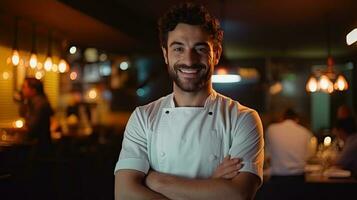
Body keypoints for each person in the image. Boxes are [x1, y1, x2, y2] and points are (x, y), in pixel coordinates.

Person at [114, 3, 264, 200]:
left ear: (216, 54)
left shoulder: (242, 119)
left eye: (200, 49)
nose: (189, 60)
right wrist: (212, 185)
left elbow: (238, 194)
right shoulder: (143, 118)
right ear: (166, 54)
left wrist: (157, 182)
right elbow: (125, 193)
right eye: (178, 48)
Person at [265, 108, 313, 182]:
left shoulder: (271, 129)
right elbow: (309, 156)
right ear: (297, 119)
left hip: (277, 179)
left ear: (282, 118)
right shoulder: (305, 132)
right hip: (299, 179)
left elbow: (268, 155)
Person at [19, 77, 54, 156]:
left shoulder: (39, 104)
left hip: (39, 149)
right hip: (40, 147)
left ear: (33, 90)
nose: (22, 90)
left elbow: (32, 127)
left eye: (24, 87)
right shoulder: (33, 102)